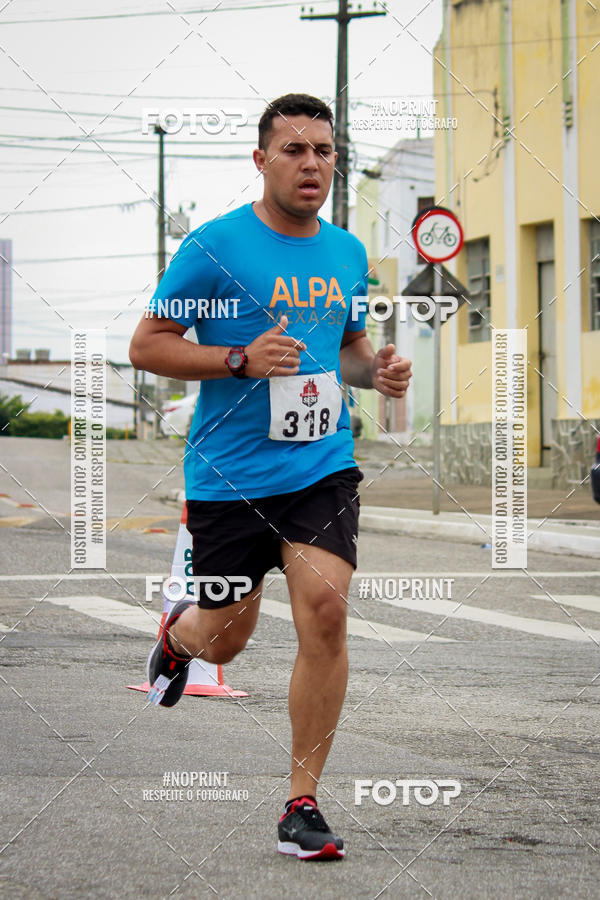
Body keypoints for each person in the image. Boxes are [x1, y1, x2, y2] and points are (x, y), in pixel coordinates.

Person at [129, 92, 412, 861]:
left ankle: (301, 804)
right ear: (261, 161)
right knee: (225, 640)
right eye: (294, 150)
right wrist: (236, 359)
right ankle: (179, 639)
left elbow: (345, 349)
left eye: (324, 150)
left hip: (320, 465)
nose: (311, 163)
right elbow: (147, 345)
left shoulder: (348, 253)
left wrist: (375, 374)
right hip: (228, 476)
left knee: (325, 610)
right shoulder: (214, 247)